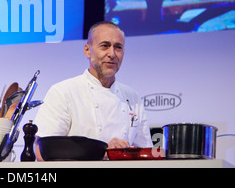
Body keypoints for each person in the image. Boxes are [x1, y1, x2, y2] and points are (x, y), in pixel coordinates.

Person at [34, 21, 153, 160]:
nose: (112, 54)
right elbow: (42, 153)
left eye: (118, 47)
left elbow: (147, 153)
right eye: (105, 46)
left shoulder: (132, 97)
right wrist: (103, 152)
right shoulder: (63, 92)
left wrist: (130, 153)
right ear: (87, 50)